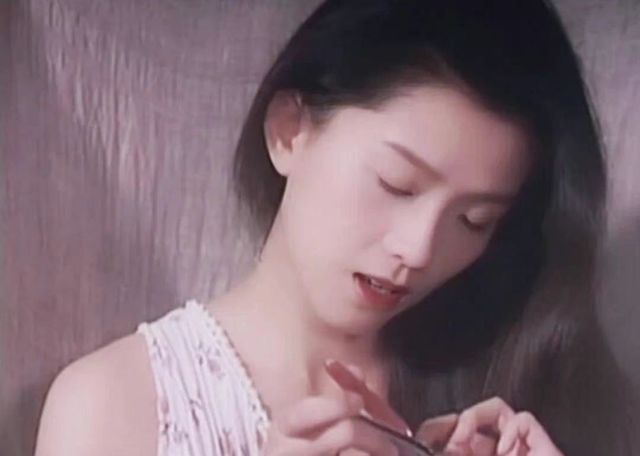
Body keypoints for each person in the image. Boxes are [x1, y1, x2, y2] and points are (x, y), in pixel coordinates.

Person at [34, 0, 635, 455]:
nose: (419, 249)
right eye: (397, 184)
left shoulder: (517, 391)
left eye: (474, 221)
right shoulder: (116, 403)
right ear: (289, 130)